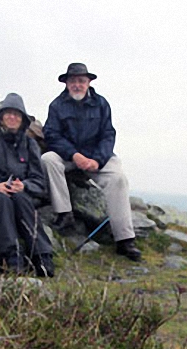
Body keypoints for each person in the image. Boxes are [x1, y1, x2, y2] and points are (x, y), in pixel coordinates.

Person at [41, 62, 142, 261]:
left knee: (118, 178)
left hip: (98, 158)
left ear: (88, 82)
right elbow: (52, 135)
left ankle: (125, 239)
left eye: (81, 80)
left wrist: (97, 159)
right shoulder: (57, 105)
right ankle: (64, 213)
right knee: (48, 159)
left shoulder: (101, 103)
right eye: (73, 81)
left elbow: (108, 134)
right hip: (70, 157)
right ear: (66, 83)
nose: (77, 85)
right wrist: (74, 155)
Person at [0, 93, 54, 277]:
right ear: (1, 117)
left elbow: (39, 181)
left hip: (21, 193)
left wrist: (24, 185)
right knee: (2, 200)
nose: (12, 117)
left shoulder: (30, 144)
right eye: (8, 114)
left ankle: (42, 255)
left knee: (21, 199)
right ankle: (9, 256)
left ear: (23, 119)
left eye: (17, 114)